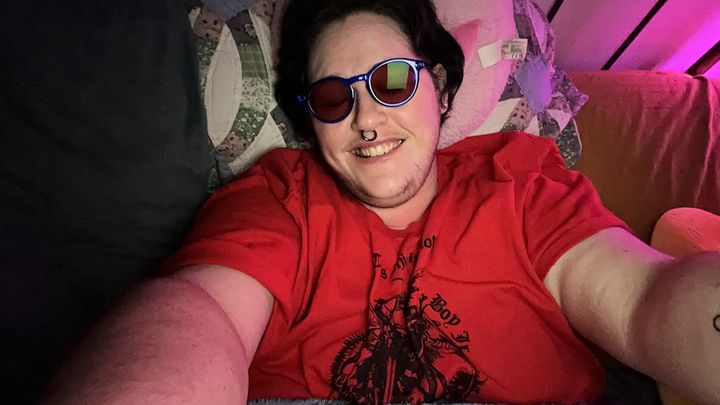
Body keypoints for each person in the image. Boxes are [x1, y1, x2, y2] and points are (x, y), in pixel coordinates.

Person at [44, 0, 719, 404]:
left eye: (392, 81)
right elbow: (202, 309)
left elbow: (642, 300)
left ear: (441, 90)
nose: (366, 119)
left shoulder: (518, 180)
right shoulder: (281, 196)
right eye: (333, 97)